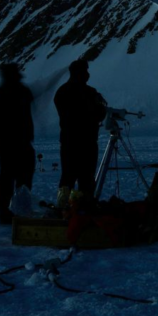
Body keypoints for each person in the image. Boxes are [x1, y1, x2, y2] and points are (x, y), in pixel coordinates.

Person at [0, 63, 35, 225]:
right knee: (22, 181)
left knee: (8, 181)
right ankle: (19, 212)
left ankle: (7, 213)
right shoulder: (21, 92)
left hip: (8, 146)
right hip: (17, 144)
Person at [54, 59, 107, 206]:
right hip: (84, 142)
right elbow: (98, 114)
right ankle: (83, 208)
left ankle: (64, 207)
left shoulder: (62, 92)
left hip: (70, 141)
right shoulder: (88, 93)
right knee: (85, 179)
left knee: (69, 177)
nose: (87, 74)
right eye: (85, 71)